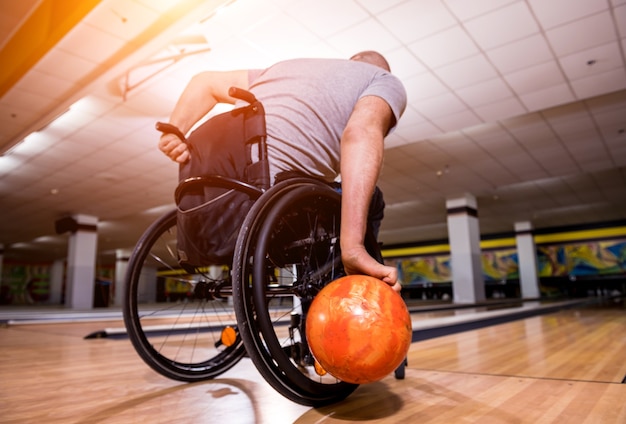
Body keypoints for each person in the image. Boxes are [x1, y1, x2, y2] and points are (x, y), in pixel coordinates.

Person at [158, 51, 407, 291]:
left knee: (318, 200)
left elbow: (204, 82)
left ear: (350, 61)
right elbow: (360, 133)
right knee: (373, 199)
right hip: (281, 190)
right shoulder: (383, 80)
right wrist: (352, 246)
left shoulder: (282, 69)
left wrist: (174, 131)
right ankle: (342, 282)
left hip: (230, 192)